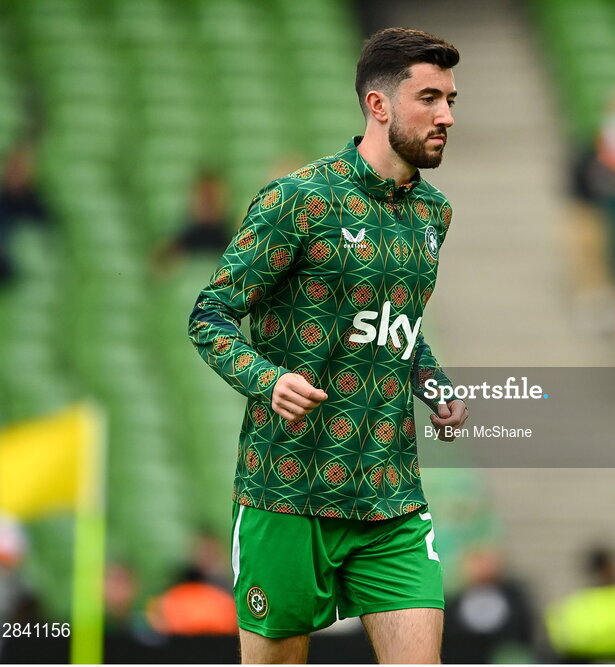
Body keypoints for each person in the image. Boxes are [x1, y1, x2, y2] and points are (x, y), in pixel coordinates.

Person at [188, 27, 468, 664]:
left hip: (390, 492)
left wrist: (435, 385)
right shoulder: (300, 200)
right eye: (429, 98)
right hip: (288, 488)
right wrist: (267, 379)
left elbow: (398, 323)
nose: (446, 116)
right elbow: (211, 315)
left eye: (451, 99)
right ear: (378, 105)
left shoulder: (433, 214)